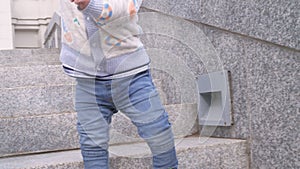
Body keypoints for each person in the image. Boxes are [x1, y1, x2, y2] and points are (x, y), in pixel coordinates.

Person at [59, 0, 178, 168]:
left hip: (132, 77)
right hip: (87, 80)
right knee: (92, 145)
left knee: (159, 132)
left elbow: (125, 8)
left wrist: (89, 4)